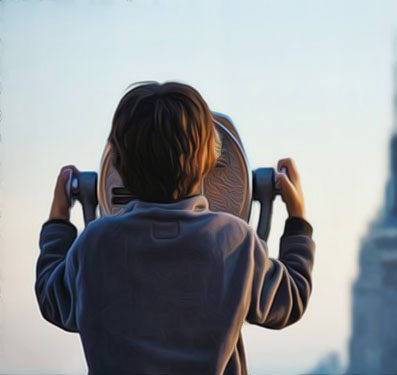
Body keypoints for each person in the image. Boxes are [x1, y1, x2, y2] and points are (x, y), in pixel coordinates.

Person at [35, 82, 315, 375]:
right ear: (211, 158)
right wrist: (297, 220)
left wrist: (58, 220)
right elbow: (290, 300)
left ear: (116, 162)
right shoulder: (235, 242)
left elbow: (51, 299)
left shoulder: (95, 243)